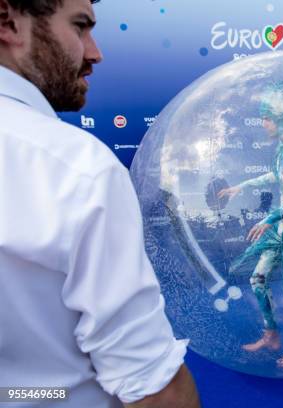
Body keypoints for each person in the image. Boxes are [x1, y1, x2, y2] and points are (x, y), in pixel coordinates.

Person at [0, 1, 199, 407]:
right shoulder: (75, 168)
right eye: (80, 27)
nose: (95, 52)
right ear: (8, 22)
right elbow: (151, 386)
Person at [218, 82, 283, 368]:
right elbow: (276, 176)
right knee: (258, 279)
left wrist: (268, 218)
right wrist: (240, 186)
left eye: (267, 119)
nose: (263, 123)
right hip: (282, 229)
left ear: (281, 121)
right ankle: (272, 336)